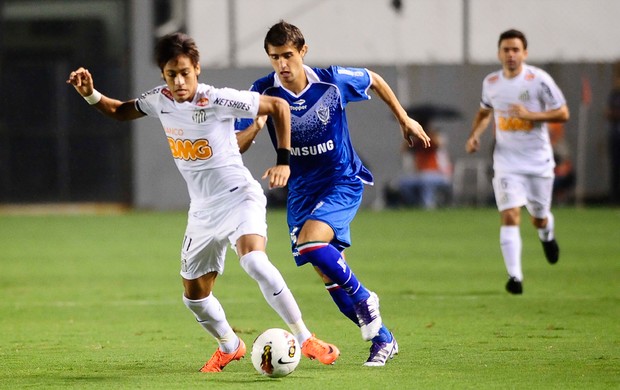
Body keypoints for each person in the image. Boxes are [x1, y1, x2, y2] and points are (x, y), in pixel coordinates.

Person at [66, 32, 339, 372]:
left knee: (254, 261)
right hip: (202, 210)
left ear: (196, 68)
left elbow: (278, 105)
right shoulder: (160, 100)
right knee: (194, 296)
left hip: (239, 197)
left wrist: (284, 159)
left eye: (185, 72)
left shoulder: (217, 99)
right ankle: (230, 345)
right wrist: (89, 93)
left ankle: (304, 336)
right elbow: (122, 111)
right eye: (171, 74)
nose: (179, 81)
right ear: (163, 76)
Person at [236, 21, 430, 366]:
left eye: (288, 55)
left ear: (303, 51)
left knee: (313, 244)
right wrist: (255, 125)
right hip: (301, 192)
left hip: (341, 180)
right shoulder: (262, 91)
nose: (282, 64)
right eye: (275, 57)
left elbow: (375, 79)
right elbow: (238, 143)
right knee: (327, 273)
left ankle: (366, 298)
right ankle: (383, 339)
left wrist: (404, 118)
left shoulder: (332, 80)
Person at [465, 29, 569, 294]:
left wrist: (533, 115)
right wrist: (475, 135)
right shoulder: (491, 83)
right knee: (510, 215)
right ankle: (515, 278)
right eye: (506, 50)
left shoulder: (538, 80)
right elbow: (484, 112)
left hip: (538, 162)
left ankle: (547, 234)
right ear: (499, 53)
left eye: (515, 50)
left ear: (525, 53)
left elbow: (563, 112)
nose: (511, 54)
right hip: (507, 162)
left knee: (538, 217)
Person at [394, 127, 452, 209]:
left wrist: (428, 133)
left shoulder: (435, 148)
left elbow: (438, 143)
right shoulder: (417, 147)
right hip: (420, 175)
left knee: (426, 179)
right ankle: (413, 204)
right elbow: (404, 149)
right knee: (404, 183)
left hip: (438, 174)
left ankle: (428, 205)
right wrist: (409, 135)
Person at [606, 61, 620, 205]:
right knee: (615, 168)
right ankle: (614, 199)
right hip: (615, 135)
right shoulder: (614, 94)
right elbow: (609, 113)